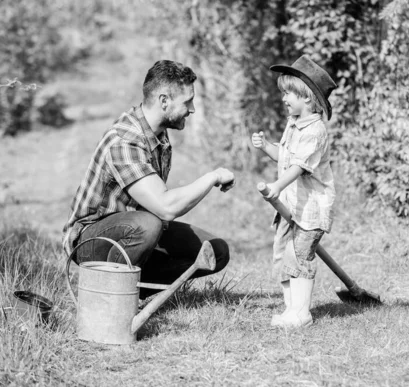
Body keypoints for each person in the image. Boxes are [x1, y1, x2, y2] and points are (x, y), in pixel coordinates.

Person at [63, 60, 235, 298]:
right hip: (91, 240)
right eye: (187, 101)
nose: (192, 109)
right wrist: (212, 176)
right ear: (164, 101)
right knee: (148, 225)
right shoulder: (124, 140)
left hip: (134, 233)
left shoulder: (159, 136)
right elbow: (165, 207)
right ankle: (106, 297)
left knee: (216, 251)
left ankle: (134, 288)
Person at [251, 55, 337, 328]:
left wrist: (277, 185)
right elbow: (286, 158)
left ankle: (302, 312)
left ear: (308, 98)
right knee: (282, 255)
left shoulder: (315, 131)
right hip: (290, 206)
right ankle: (291, 309)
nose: (284, 98)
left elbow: (299, 166)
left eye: (289, 93)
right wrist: (266, 147)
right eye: (284, 92)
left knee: (300, 256)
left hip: (309, 209)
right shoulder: (294, 124)